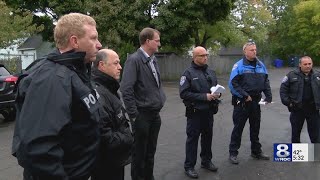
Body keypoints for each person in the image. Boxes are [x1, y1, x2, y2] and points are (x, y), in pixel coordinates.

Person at [12, 13, 102, 180]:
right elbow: (39, 149)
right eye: (93, 38)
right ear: (74, 41)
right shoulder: (51, 79)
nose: (99, 45)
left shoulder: (75, 70)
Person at [120, 27, 166, 180]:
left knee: (150, 152)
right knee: (139, 154)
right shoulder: (134, 60)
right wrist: (134, 115)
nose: (159, 43)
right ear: (147, 41)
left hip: (154, 115)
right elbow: (126, 89)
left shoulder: (153, 59)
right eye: (157, 40)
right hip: (142, 116)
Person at [91, 49, 134, 180]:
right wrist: (128, 138)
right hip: (106, 163)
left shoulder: (110, 88)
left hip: (115, 159)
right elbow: (104, 136)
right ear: (101, 65)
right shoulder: (99, 93)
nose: (120, 67)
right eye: (115, 63)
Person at [228, 41, 272, 164]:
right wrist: (244, 95)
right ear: (245, 51)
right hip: (242, 102)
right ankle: (233, 153)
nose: (254, 51)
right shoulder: (239, 65)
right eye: (251, 50)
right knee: (238, 128)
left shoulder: (260, 65)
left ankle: (256, 151)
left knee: (255, 128)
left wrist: (268, 96)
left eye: (255, 49)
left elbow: (265, 81)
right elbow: (232, 84)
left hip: (256, 102)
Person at [179, 46, 220, 179]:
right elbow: (184, 93)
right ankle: (189, 166)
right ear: (194, 57)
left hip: (209, 111)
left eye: (206, 55)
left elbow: (215, 88)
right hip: (195, 112)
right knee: (192, 139)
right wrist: (204, 97)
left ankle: (206, 161)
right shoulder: (188, 74)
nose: (205, 57)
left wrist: (216, 94)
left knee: (208, 138)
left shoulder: (211, 72)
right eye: (202, 55)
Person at [280, 56, 320, 143]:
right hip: (297, 109)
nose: (308, 66)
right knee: (296, 135)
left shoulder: (317, 75)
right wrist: (289, 103)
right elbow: (283, 91)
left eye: (309, 64)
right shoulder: (291, 75)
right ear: (300, 65)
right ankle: (297, 156)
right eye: (305, 64)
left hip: (313, 110)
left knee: (316, 136)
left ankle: (316, 155)